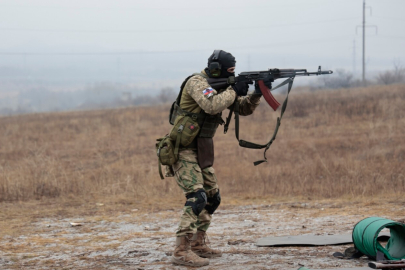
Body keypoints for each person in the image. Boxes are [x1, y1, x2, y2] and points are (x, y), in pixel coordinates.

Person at [169, 50, 262, 267]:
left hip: (201, 149)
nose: (232, 74)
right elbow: (212, 104)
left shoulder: (219, 88)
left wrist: (257, 92)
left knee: (213, 197)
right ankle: (181, 250)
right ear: (215, 70)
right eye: (229, 71)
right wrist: (233, 89)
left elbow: (243, 108)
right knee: (197, 196)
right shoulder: (196, 82)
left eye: (234, 72)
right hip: (183, 149)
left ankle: (197, 244)